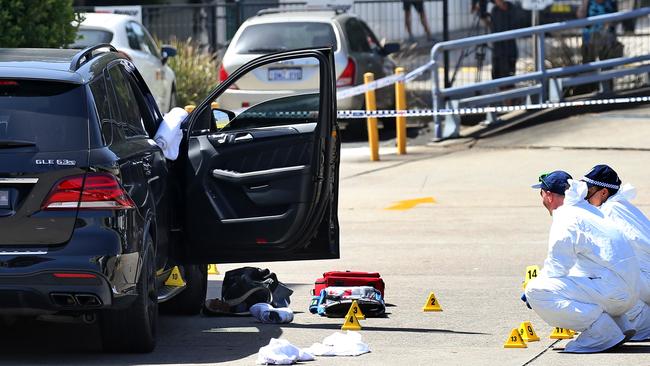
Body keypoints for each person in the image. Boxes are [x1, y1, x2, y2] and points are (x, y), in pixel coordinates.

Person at [524, 171, 640, 353]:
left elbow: (557, 266)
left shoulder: (566, 216)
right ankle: (619, 326)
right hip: (631, 292)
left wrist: (534, 288)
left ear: (547, 195)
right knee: (577, 273)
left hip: (616, 292)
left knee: (537, 291)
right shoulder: (587, 210)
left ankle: (602, 334)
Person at [582, 164, 650, 341]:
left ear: (604, 192)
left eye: (588, 192)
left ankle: (643, 324)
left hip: (646, 279)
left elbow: (641, 242)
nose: (585, 197)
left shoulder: (613, 210)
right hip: (644, 278)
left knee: (591, 282)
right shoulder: (617, 206)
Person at [490, 0, 518, 81]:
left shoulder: (512, 8)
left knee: (510, 73)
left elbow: (516, 25)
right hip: (499, 49)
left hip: (510, 48)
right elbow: (493, 29)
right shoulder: (494, 10)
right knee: (498, 74)